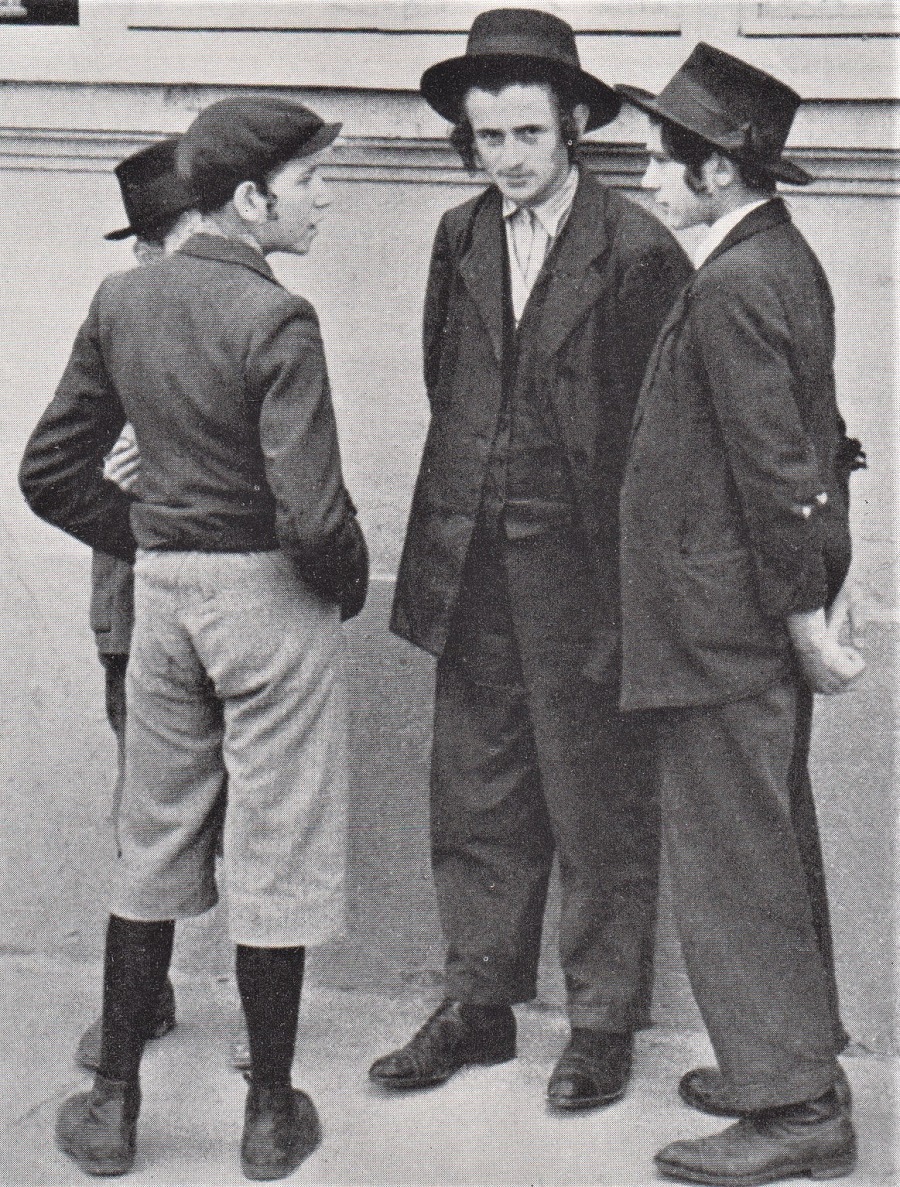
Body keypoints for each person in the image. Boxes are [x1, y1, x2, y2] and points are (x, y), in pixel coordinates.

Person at [20, 94, 368, 1180]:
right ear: (252, 198)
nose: (324, 199)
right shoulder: (280, 319)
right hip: (267, 596)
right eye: (311, 183)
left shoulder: (123, 300)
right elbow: (314, 514)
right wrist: (343, 587)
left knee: (153, 837)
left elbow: (48, 469)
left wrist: (147, 529)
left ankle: (113, 1102)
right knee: (278, 843)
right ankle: (268, 1114)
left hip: (162, 595)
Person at [370, 8, 691, 1111]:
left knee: (595, 791)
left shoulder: (636, 249)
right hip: (470, 559)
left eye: (529, 136)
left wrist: (628, 585)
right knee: (476, 785)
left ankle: (600, 1019)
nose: (507, 158)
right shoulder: (460, 237)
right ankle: (480, 1004)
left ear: (578, 129)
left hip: (586, 569)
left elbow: (657, 433)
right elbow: (446, 384)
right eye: (489, 137)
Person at [616, 44, 865, 1185]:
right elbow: (815, 443)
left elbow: (777, 466)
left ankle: (795, 1103)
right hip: (735, 614)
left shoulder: (732, 282)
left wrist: (806, 613)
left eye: (660, 162)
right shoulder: (772, 260)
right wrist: (812, 588)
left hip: (720, 628)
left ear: (715, 170)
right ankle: (787, 1058)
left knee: (737, 864)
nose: (647, 181)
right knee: (764, 843)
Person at [73, 136, 197, 1074]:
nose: (158, 258)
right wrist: (118, 486)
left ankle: (271, 1039)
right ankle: (141, 997)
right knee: (147, 812)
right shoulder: (118, 320)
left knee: (257, 813)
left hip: (232, 607)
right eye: (149, 243)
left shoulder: (248, 319)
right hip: (137, 605)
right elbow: (58, 464)